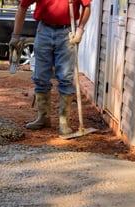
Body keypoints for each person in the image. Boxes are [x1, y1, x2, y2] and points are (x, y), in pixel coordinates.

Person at [9, 0, 91, 135]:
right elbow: (23, 6)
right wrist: (15, 36)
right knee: (40, 76)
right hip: (44, 30)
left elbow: (87, 6)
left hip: (67, 32)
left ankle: (64, 122)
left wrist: (80, 30)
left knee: (65, 77)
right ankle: (43, 117)